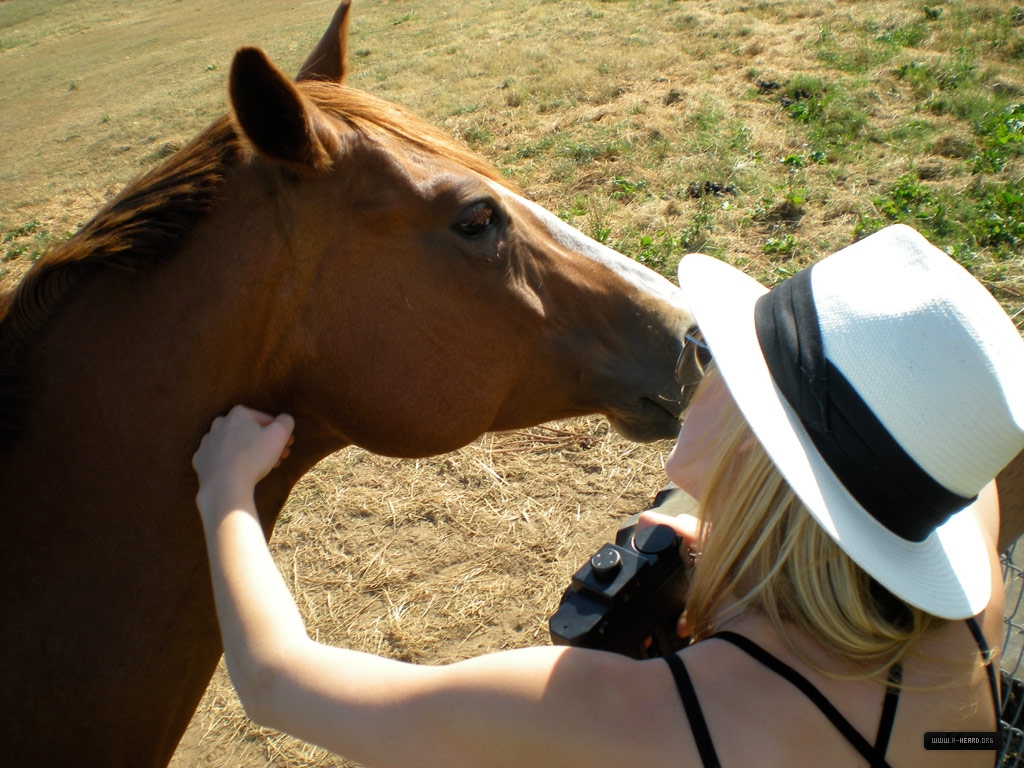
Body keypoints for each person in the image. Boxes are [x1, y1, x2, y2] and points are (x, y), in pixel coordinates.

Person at [192, 223, 1024, 768]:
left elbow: (275, 681)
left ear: (758, 448)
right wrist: (735, 553)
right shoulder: (972, 613)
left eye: (716, 359)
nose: (696, 372)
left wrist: (226, 488)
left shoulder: (617, 714)